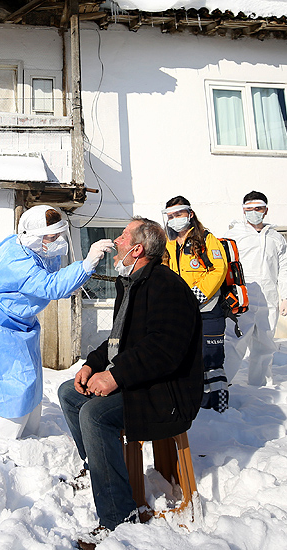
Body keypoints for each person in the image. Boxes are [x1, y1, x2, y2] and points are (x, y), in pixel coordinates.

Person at [57, 218, 202, 541]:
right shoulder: (133, 283)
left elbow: (163, 351)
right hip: (143, 382)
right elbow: (118, 340)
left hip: (167, 394)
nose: (116, 241)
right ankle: (98, 467)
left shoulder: (167, 288)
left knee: (94, 415)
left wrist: (115, 377)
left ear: (137, 249)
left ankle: (118, 520)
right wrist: (92, 366)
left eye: (122, 237)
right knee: (70, 392)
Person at [0, 205, 113, 441]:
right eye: (50, 237)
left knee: (31, 380)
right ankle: (6, 444)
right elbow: (51, 286)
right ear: (32, 235)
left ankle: (30, 437)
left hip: (17, 323)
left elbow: (52, 280)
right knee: (15, 384)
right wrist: (87, 263)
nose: (55, 241)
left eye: (57, 236)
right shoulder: (17, 262)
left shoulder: (32, 250)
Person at [162, 196, 230, 411]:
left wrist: (197, 295)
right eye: (170, 216)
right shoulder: (169, 243)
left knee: (212, 361)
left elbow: (219, 269)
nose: (174, 219)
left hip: (208, 311)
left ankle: (218, 407)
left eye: (178, 214)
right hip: (180, 312)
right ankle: (193, 403)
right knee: (185, 359)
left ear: (190, 214)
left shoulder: (207, 239)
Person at [224, 191, 287, 387]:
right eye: (250, 209)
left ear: (266, 210)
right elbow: (224, 267)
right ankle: (223, 382)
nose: (254, 212)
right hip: (241, 298)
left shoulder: (276, 238)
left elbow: (284, 269)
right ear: (243, 211)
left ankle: (260, 384)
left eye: (258, 209)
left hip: (268, 299)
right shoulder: (233, 236)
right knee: (234, 342)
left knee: (265, 344)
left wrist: (286, 296)